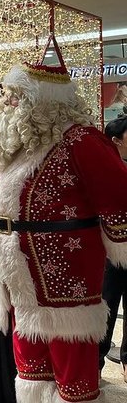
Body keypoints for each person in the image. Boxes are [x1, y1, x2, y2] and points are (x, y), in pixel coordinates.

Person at [0, 61, 127, 402]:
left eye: (15, 96)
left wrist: (118, 240)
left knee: (73, 378)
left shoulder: (82, 140)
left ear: (43, 100)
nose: (6, 103)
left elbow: (117, 192)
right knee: (30, 370)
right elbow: (2, 198)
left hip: (65, 280)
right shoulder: (23, 146)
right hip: (20, 281)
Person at [100, 114, 127, 382]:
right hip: (109, 252)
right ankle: (96, 361)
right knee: (106, 306)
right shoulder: (102, 170)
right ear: (117, 141)